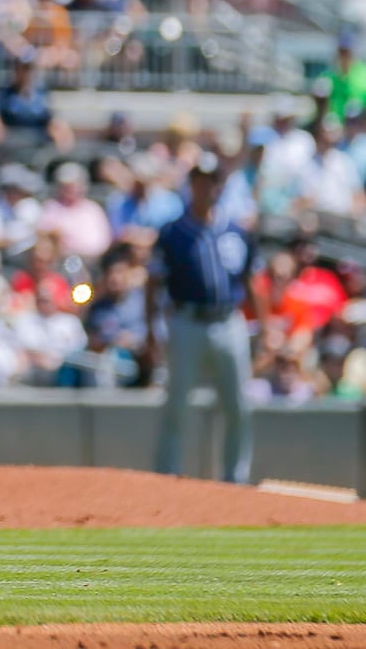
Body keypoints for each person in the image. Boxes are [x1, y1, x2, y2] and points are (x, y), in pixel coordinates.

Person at [148, 153, 263, 485]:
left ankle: (235, 479)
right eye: (200, 180)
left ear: (220, 185)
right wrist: (151, 330)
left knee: (238, 404)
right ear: (191, 184)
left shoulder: (235, 230)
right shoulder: (173, 233)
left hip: (229, 320)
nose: (206, 186)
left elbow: (252, 281)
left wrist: (266, 327)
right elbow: (153, 283)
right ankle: (166, 476)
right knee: (176, 403)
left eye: (212, 180)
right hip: (187, 320)